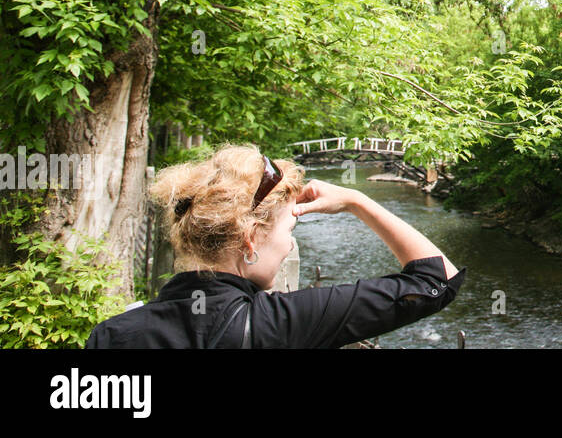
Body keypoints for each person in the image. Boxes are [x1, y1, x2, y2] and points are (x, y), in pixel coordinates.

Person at [85, 144, 463, 348]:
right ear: (250, 239)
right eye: (289, 228)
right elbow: (437, 279)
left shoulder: (113, 333)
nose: (288, 245)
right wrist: (356, 201)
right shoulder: (279, 325)